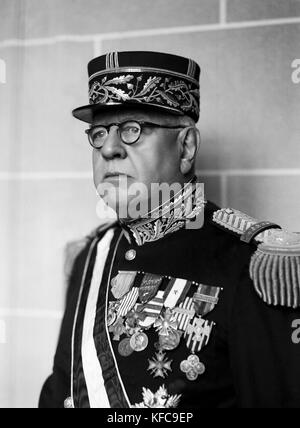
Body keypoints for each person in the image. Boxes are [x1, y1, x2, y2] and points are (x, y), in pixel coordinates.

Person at [39, 51, 300, 409]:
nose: (110, 148)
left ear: (186, 146)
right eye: (99, 133)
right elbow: (60, 390)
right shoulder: (90, 254)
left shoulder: (252, 263)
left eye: (132, 129)